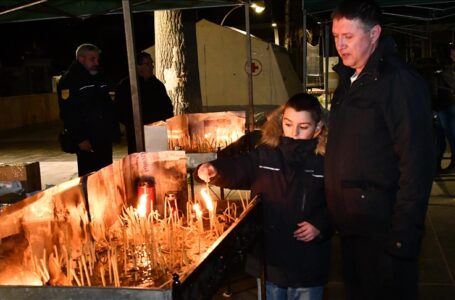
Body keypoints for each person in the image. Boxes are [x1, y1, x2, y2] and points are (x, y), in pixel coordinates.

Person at [326, 1, 434, 299]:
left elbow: (417, 163)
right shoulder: (349, 81)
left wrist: (403, 237)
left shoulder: (398, 82)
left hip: (384, 231)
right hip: (353, 227)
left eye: (348, 36)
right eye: (336, 36)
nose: (340, 44)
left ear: (374, 34)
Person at [196, 93, 332, 300]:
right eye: (288, 124)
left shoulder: (327, 160)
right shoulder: (266, 154)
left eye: (303, 127)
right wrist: (213, 169)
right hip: (270, 258)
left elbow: (342, 202)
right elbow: (239, 166)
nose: (293, 133)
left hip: (308, 260)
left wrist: (321, 223)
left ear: (318, 127)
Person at [57, 43, 119, 177]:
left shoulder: (97, 76)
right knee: (90, 177)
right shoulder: (69, 80)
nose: (96, 62)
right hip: (87, 139)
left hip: (103, 136)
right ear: (81, 59)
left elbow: (106, 105)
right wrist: (80, 139)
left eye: (97, 59)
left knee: (106, 175)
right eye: (93, 59)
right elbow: (69, 113)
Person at [114, 51, 174, 154]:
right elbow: (119, 109)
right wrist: (133, 124)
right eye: (148, 64)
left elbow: (167, 107)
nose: (151, 67)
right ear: (138, 67)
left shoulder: (157, 85)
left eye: (151, 63)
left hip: (156, 131)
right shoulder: (127, 85)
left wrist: (165, 123)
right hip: (136, 132)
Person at [435, 43, 455, 173]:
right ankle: (438, 164)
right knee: (442, 135)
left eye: (453, 51)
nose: (451, 54)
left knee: (451, 135)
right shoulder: (448, 68)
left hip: (449, 105)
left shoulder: (448, 70)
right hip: (444, 105)